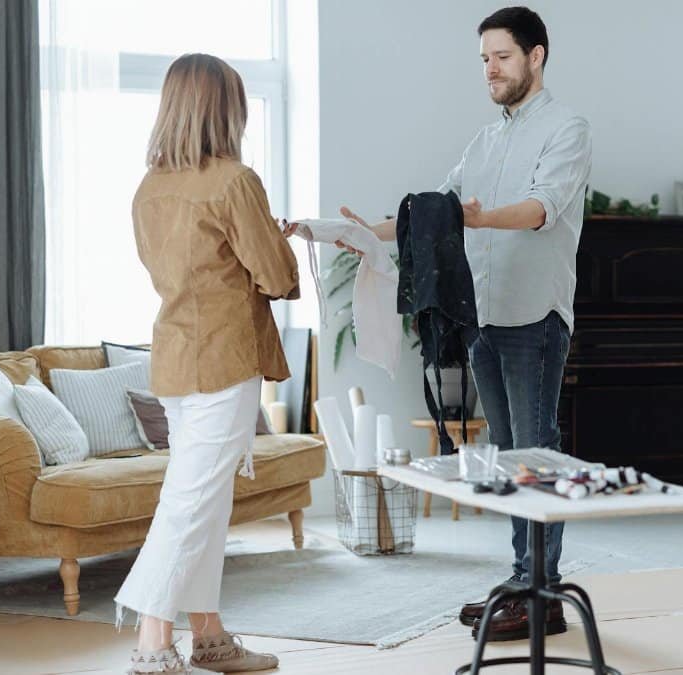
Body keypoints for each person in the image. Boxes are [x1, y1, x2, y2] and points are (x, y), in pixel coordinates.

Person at [337, 6, 592, 642]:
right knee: (508, 461)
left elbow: (541, 210)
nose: (490, 69)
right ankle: (522, 583)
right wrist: (363, 233)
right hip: (484, 317)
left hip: (535, 316)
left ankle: (544, 594)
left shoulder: (567, 129)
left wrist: (477, 220)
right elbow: (434, 215)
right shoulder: (484, 141)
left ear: (536, 57)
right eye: (484, 59)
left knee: (537, 457)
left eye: (502, 56)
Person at [116, 53, 300, 673]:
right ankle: (150, 641)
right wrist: (271, 242)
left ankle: (211, 637)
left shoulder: (149, 187)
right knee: (191, 503)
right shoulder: (233, 181)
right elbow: (274, 276)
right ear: (225, 109)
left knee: (205, 500)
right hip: (222, 361)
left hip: (173, 359)